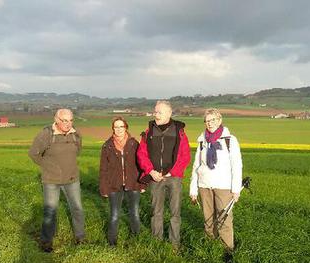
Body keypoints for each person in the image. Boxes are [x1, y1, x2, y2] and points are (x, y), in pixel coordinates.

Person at [28, 108, 85, 252]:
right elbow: (34, 154)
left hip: (72, 178)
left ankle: (80, 238)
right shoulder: (46, 134)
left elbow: (78, 150)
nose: (68, 123)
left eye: (71, 120)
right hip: (51, 180)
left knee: (77, 209)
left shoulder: (75, 134)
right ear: (56, 120)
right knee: (50, 211)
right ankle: (46, 241)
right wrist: (49, 166)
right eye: (65, 120)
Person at [137, 100, 191, 252]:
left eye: (160, 112)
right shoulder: (149, 132)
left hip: (174, 178)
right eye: (155, 111)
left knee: (175, 213)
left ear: (169, 113)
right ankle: (157, 242)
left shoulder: (179, 131)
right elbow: (142, 154)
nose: (156, 114)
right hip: (155, 178)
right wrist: (151, 171)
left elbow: (185, 156)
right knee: (156, 212)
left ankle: (174, 244)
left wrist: (171, 172)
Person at [189, 108, 242, 254]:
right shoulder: (201, 140)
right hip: (204, 185)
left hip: (224, 186)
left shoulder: (230, 140)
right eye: (206, 121)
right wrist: (193, 189)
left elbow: (236, 165)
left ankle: (227, 251)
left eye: (212, 120)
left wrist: (236, 190)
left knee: (224, 220)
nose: (209, 123)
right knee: (208, 220)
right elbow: (196, 166)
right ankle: (211, 247)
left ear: (219, 120)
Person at [99, 116, 146, 246]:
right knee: (114, 215)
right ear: (113, 128)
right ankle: (112, 243)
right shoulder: (107, 145)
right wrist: (104, 188)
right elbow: (103, 168)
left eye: (121, 126)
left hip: (133, 183)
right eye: (116, 127)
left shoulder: (133, 143)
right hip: (114, 185)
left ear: (126, 127)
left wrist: (142, 183)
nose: (119, 129)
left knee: (134, 214)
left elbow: (141, 164)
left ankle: (136, 240)